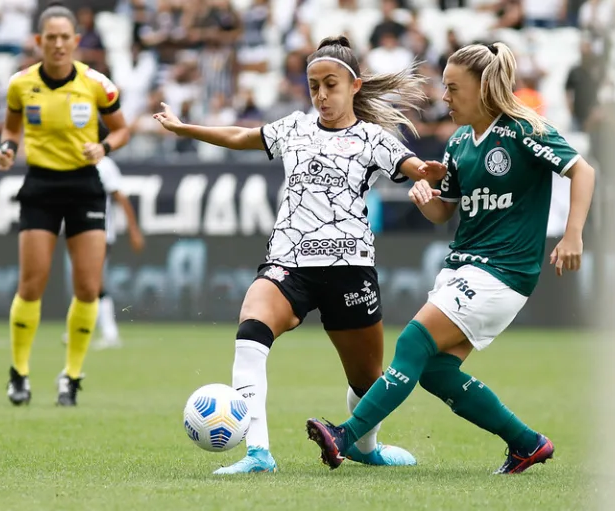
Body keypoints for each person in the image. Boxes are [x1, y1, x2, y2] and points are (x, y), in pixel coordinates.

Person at [154, 35, 446, 474]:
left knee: (367, 381)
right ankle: (258, 453)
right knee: (251, 331)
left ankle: (366, 447)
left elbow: (414, 167)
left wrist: (427, 173)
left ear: (355, 86)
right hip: (289, 263)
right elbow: (241, 135)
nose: (321, 95)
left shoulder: (373, 139)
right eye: (314, 86)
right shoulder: (294, 128)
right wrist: (185, 129)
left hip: (349, 269)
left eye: (331, 85)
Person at [305, 42, 596, 475]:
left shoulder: (523, 129)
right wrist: (427, 200)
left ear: (483, 88)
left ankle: (345, 436)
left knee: (413, 342)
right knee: (436, 371)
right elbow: (446, 211)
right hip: (463, 267)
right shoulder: (459, 142)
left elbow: (582, 171)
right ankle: (526, 443)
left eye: (453, 88)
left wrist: (573, 235)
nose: (445, 98)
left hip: (503, 271)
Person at [0, 3, 130, 407]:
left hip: (84, 186)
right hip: (40, 186)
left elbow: (122, 130)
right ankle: (19, 373)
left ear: (76, 40)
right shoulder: (20, 84)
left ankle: (71, 376)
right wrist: (7, 148)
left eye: (64, 37)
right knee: (31, 285)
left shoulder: (97, 84)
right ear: (39, 41)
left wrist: (104, 147)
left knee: (88, 287)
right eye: (50, 37)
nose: (57, 44)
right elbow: (11, 128)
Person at [62, 122, 145, 350]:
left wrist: (133, 230)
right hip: (77, 231)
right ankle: (80, 328)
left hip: (100, 232)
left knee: (94, 282)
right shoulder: (74, 162)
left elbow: (121, 198)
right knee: (82, 282)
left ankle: (108, 332)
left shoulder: (104, 165)